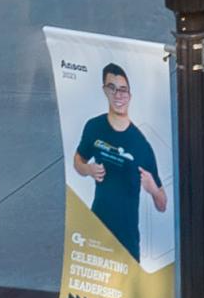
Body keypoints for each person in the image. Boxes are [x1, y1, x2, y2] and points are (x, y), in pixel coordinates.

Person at [71, 64, 168, 263]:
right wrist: (88, 169)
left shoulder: (141, 145)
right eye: (112, 88)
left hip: (126, 239)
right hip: (96, 229)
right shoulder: (94, 127)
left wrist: (153, 190)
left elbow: (162, 204)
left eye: (123, 89)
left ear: (130, 95)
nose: (118, 95)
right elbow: (78, 160)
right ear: (104, 90)